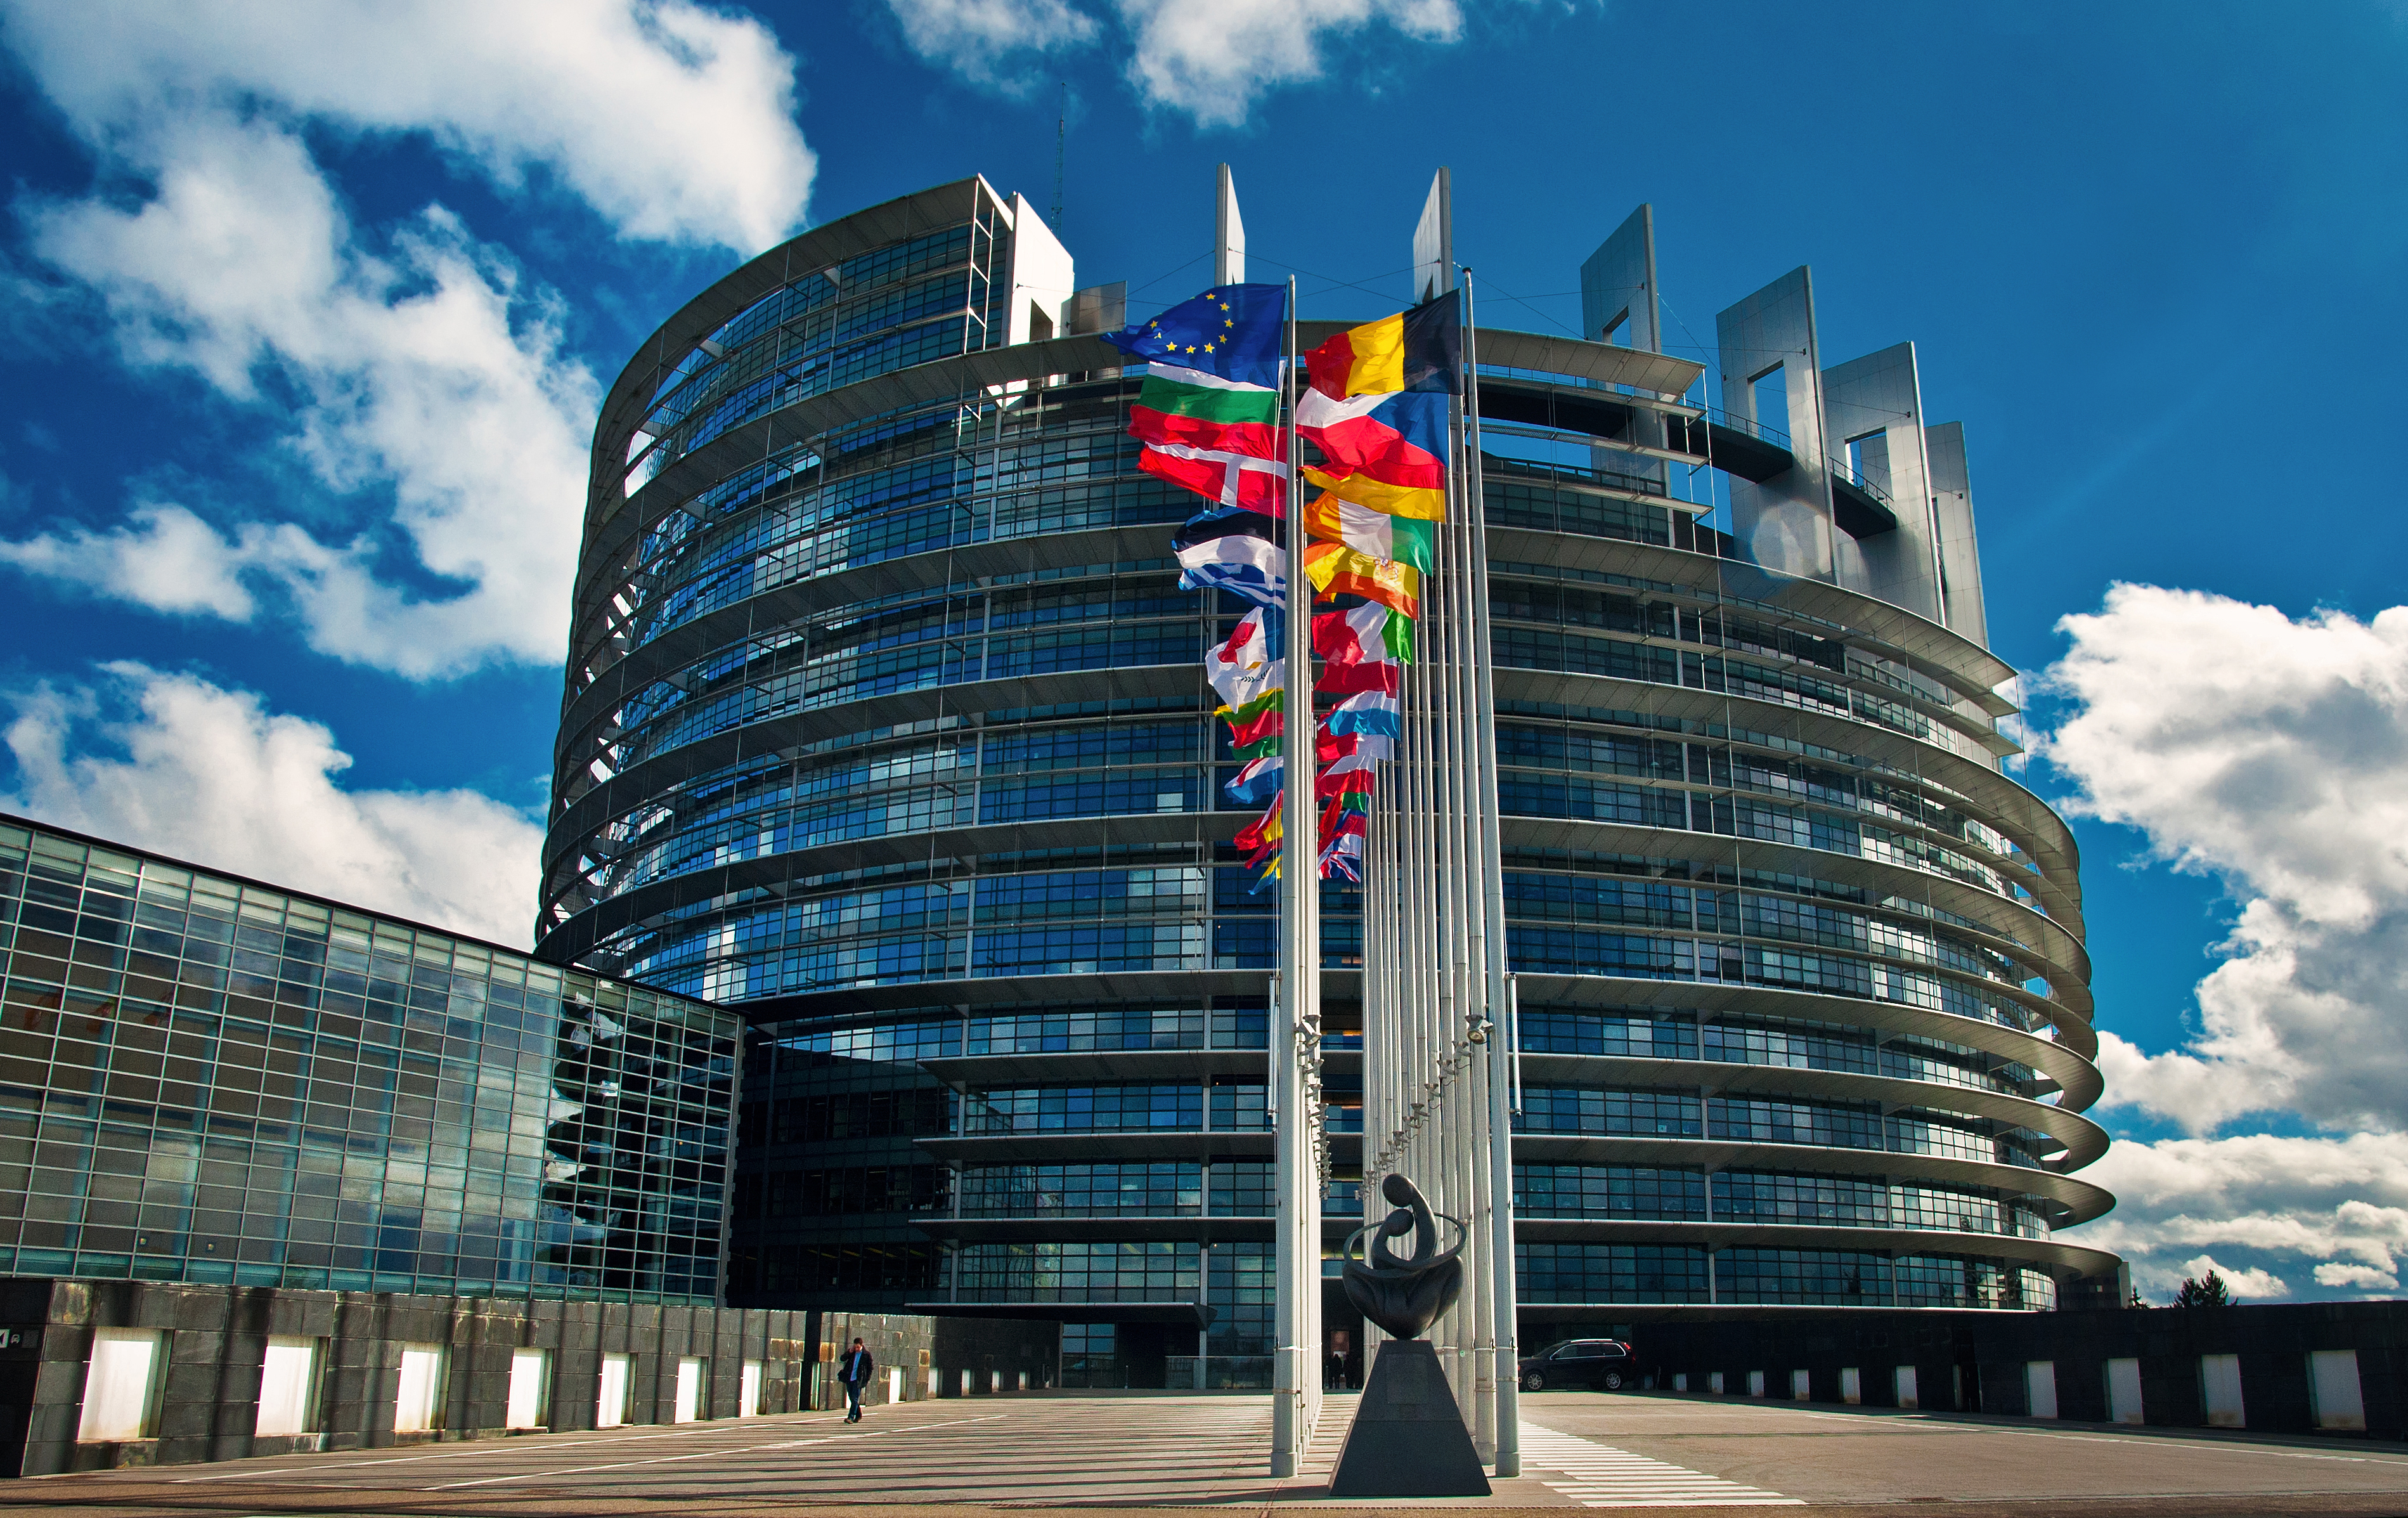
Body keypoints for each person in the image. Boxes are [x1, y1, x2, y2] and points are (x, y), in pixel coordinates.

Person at [839, 1337, 874, 1422]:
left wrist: (866, 1379)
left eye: (858, 1347)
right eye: (855, 1347)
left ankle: (850, 1417)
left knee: (855, 1398)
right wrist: (848, 1353)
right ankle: (858, 1414)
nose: (856, 1349)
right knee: (852, 1398)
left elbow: (870, 1368)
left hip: (858, 1379)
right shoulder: (852, 1352)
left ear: (862, 1346)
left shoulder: (866, 1355)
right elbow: (842, 1359)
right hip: (849, 1378)